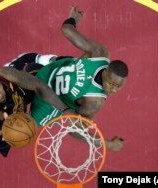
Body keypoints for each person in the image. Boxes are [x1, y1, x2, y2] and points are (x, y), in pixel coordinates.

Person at [27, 6, 129, 151]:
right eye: (111, 83)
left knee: (22, 129)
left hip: (49, 84)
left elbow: (67, 29)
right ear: (105, 72)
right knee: (21, 125)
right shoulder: (95, 101)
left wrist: (73, 19)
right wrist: (108, 145)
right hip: (47, 93)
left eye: (118, 86)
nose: (113, 89)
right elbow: (75, 130)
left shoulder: (99, 53)